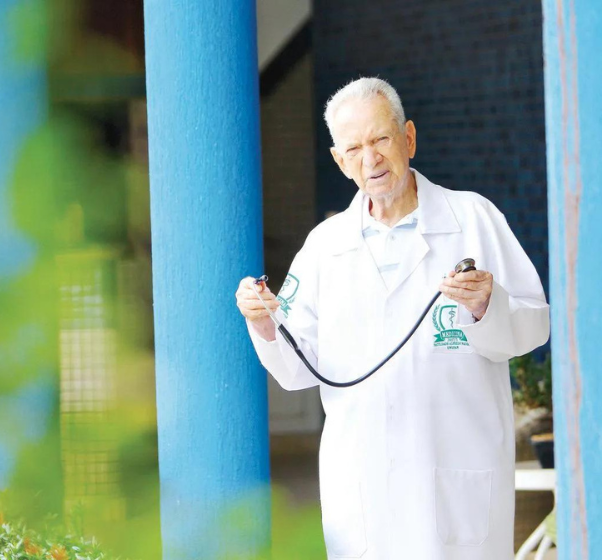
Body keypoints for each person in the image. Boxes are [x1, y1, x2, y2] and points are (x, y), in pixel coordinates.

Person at [235, 77, 549, 560]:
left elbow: (534, 325)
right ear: (339, 161)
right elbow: (298, 369)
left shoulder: (474, 218)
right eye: (354, 148)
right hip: (363, 485)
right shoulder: (325, 246)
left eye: (381, 139)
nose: (371, 158)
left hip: (457, 474)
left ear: (409, 137)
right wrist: (262, 320)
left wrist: (487, 305)